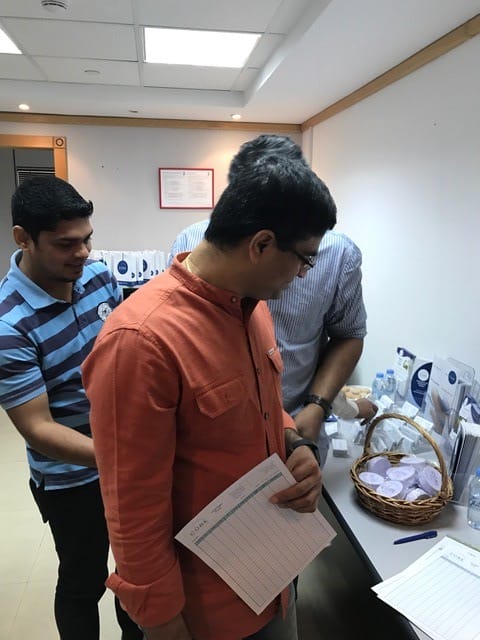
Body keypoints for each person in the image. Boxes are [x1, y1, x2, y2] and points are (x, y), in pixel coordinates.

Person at [82, 149, 337, 640]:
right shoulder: (140, 340)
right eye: (305, 258)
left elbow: (265, 409)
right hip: (205, 608)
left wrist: (296, 444)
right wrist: (161, 621)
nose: (304, 274)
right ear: (262, 244)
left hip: (273, 570)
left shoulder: (253, 309)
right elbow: (132, 507)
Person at [0, 176, 142, 640]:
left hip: (125, 457)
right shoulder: (8, 323)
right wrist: (120, 458)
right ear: (23, 238)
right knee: (84, 581)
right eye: (66, 244)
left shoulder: (98, 276)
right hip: (70, 479)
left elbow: (125, 352)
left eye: (87, 239)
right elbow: (38, 427)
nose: (82, 253)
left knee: (137, 573)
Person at [169, 135, 368, 465]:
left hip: (298, 426)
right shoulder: (191, 244)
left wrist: (317, 405)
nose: (302, 272)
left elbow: (348, 334)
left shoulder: (338, 254)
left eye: (308, 260)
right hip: (213, 437)